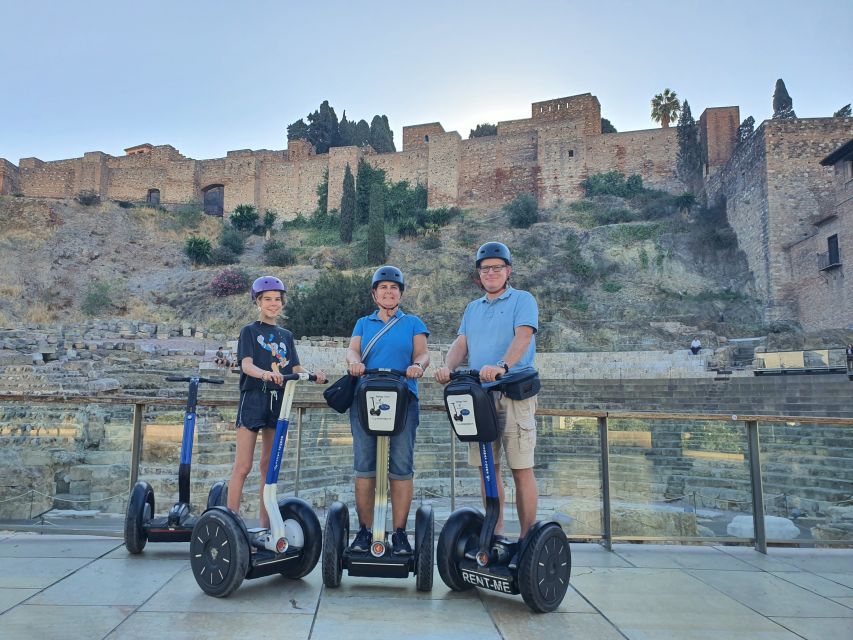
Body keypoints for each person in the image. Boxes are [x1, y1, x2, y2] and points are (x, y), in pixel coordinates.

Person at [435, 241, 539, 548]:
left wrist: (502, 365)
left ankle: (527, 542)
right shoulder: (472, 308)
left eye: (497, 268)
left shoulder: (523, 300)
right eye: (485, 269)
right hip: (480, 397)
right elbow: (461, 343)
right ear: (478, 275)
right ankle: (494, 536)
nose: (491, 273)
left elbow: (523, 337)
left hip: (514, 393)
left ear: (508, 271)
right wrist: (446, 366)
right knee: (487, 471)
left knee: (521, 468)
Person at [227, 275, 327, 528]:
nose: (273, 304)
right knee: (243, 465)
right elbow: (246, 365)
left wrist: (312, 375)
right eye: (267, 299)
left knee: (268, 466)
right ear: (258, 302)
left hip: (278, 400)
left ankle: (266, 523)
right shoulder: (249, 331)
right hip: (253, 398)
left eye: (277, 299)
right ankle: (230, 522)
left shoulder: (286, 335)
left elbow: (294, 366)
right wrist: (267, 374)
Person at [345, 266, 430, 555]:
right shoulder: (363, 323)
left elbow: (422, 352)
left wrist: (417, 366)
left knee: (402, 467)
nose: (389, 291)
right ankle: (365, 532)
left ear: (401, 293)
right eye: (383, 287)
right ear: (374, 293)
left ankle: (400, 533)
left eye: (394, 288)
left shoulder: (413, 323)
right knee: (365, 466)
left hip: (404, 399)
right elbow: (353, 350)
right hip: (366, 399)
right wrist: (354, 363)